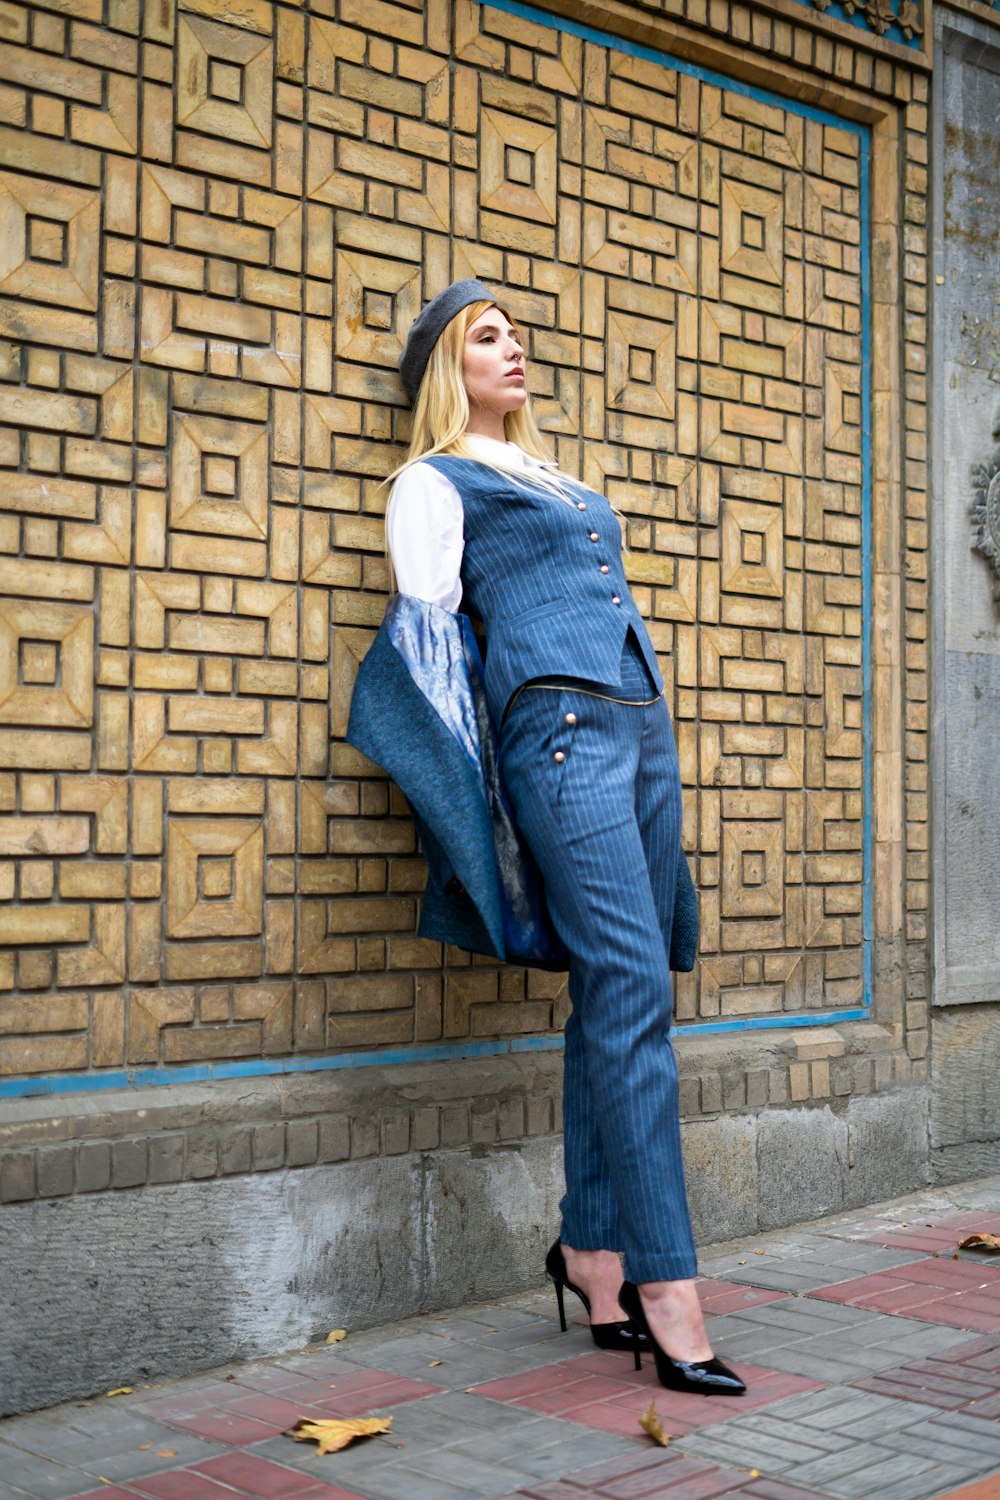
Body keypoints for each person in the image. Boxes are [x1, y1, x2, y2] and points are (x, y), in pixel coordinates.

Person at [366, 279, 744, 1396]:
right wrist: (475, 814)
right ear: (449, 366)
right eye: (488, 338)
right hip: (561, 737)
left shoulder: (561, 478)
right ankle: (665, 1287)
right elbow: (429, 652)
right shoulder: (432, 482)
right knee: (634, 988)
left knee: (612, 987)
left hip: (639, 729)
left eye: (516, 336)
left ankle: (589, 1252)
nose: (513, 350)